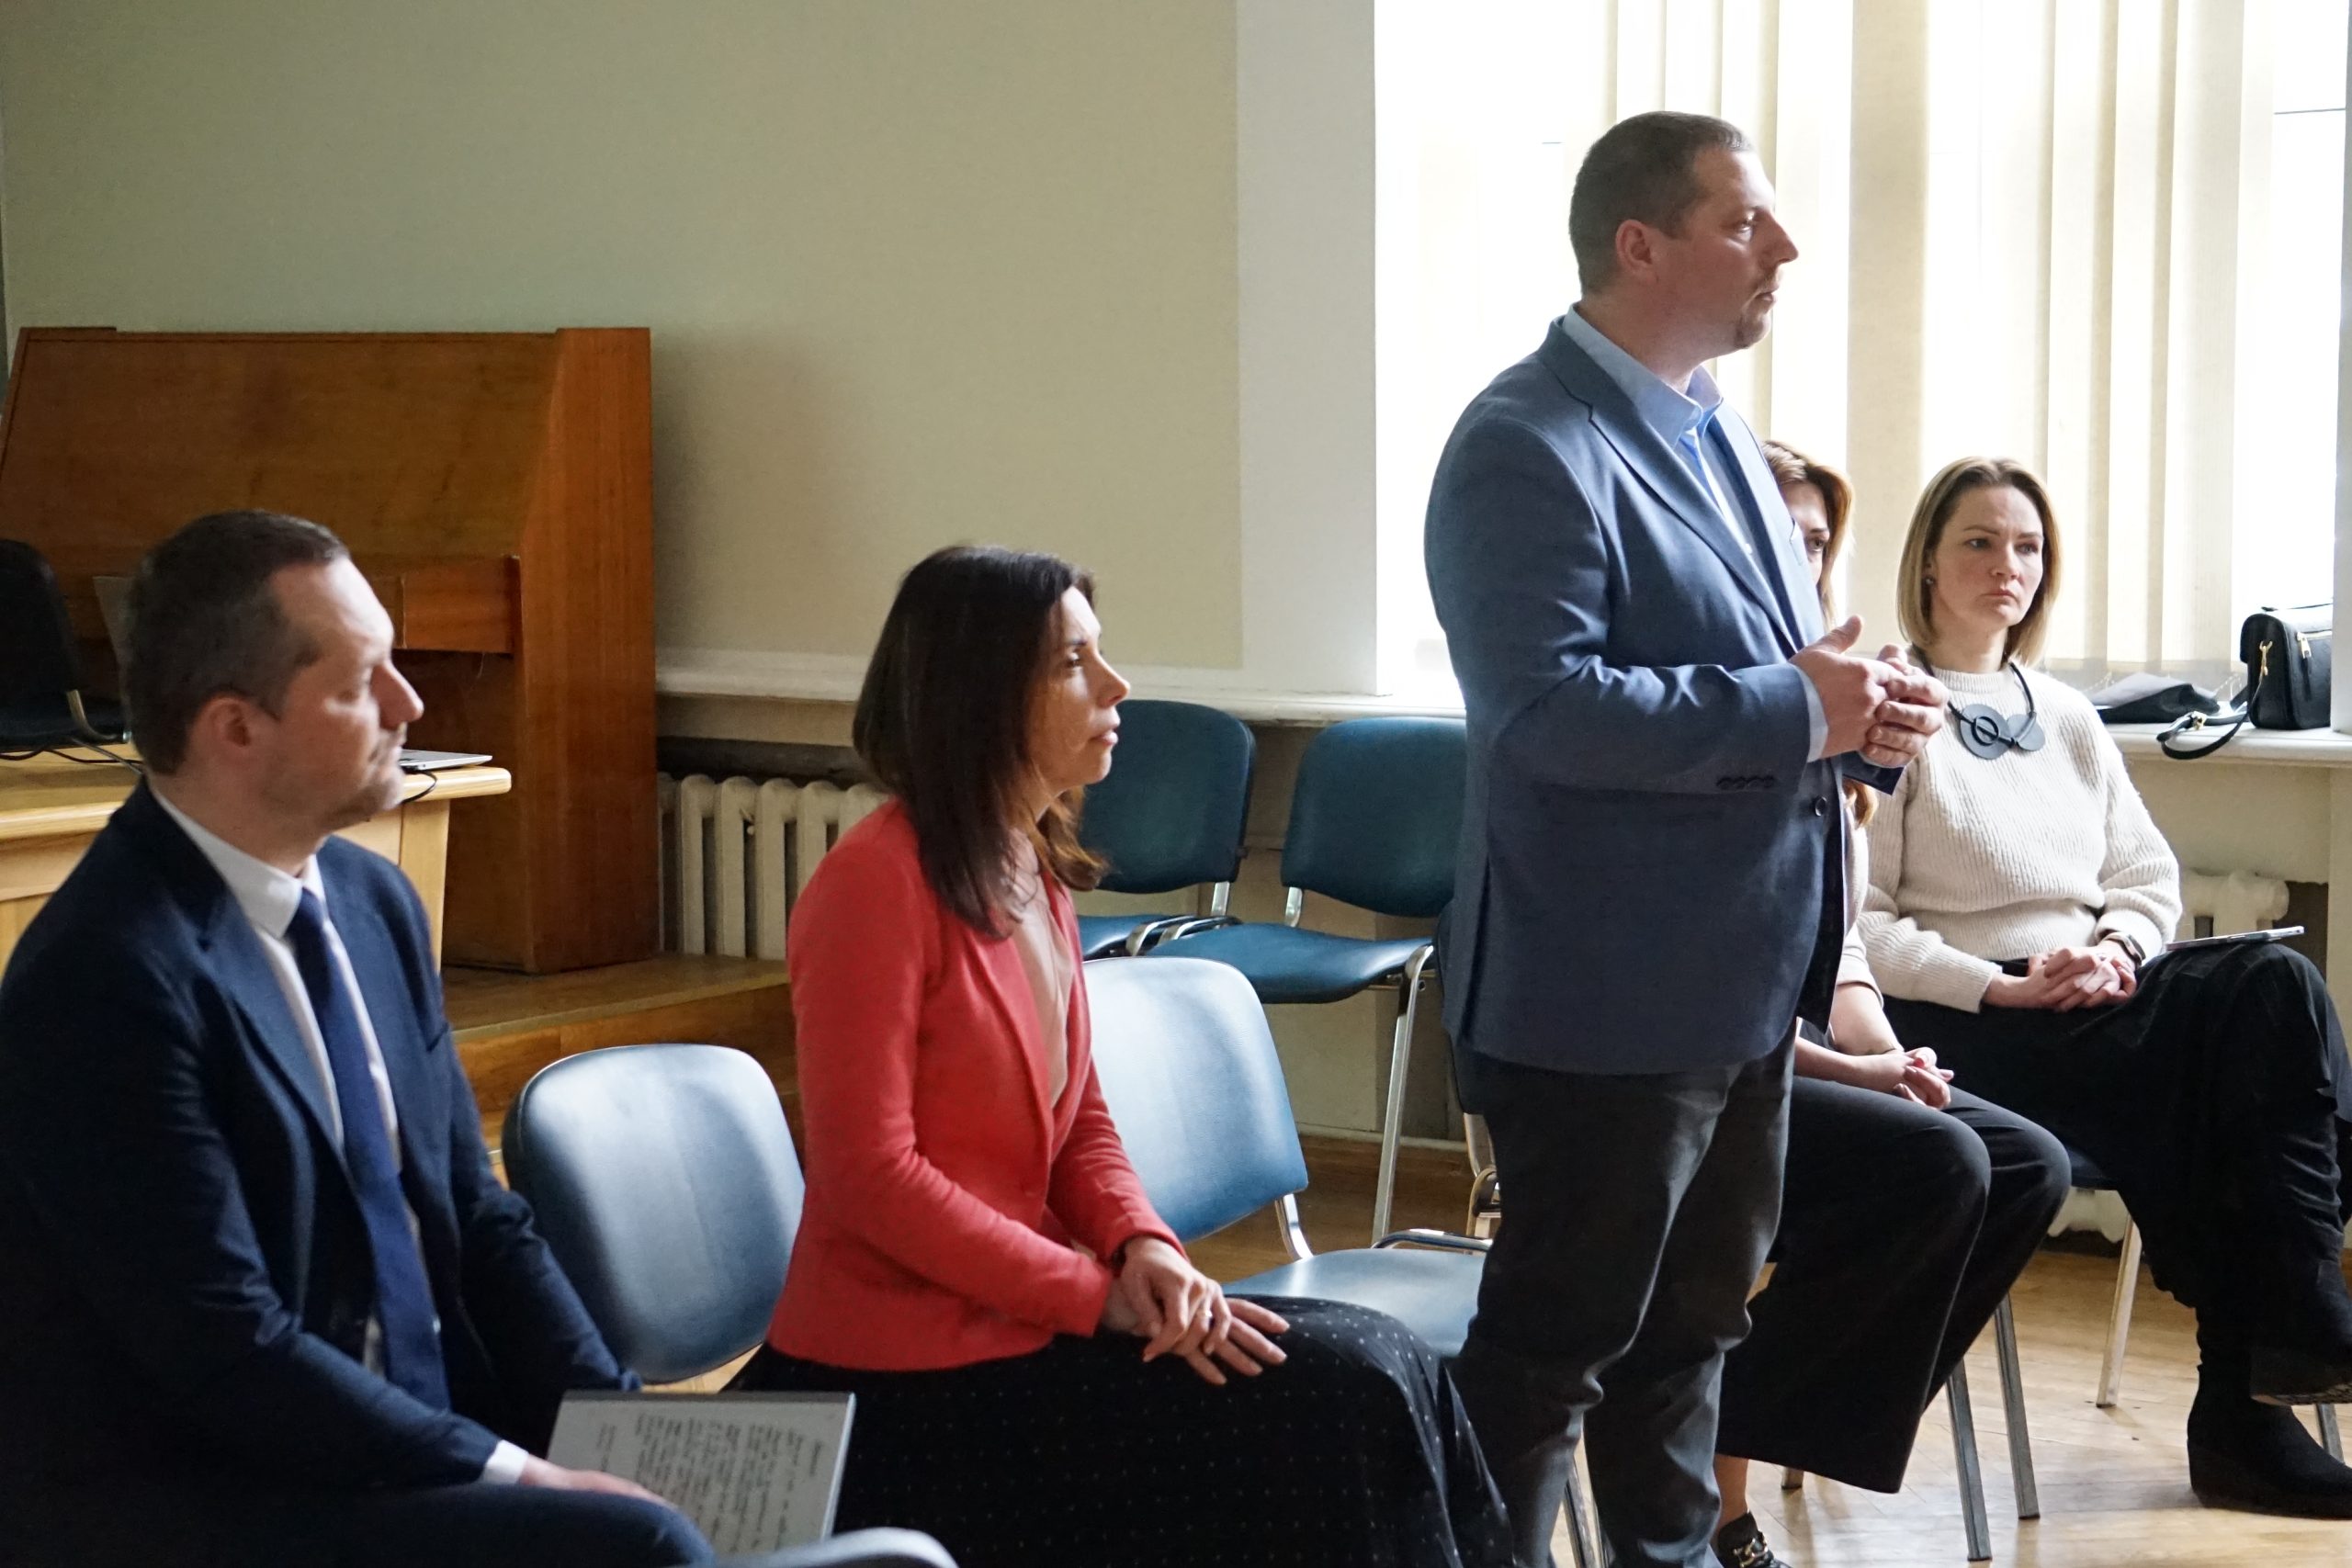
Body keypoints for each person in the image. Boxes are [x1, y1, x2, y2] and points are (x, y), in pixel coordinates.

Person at [727, 545, 1511, 1568]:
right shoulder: (871, 884)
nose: (1117, 684)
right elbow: (871, 1178)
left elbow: (1079, 1120)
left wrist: (1146, 1245)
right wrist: (1093, 1294)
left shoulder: (1030, 864)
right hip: (907, 1379)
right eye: (1072, 663)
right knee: (1339, 1397)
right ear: (978, 693)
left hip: (1023, 1322)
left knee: (1384, 1359)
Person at [1423, 110, 1947, 1568]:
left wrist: (1859, 717)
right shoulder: (1523, 443)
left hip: (1742, 978)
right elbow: (1544, 711)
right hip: (1604, 993)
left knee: (1693, 1334)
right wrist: (1799, 706)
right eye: (1745, 221)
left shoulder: (1714, 426)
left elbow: (1777, 679)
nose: (1787, 245)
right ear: (1639, 245)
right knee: (1555, 1349)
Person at [0, 511, 709, 1568]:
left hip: (393, 1429)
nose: (409, 703)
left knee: (738, 1491)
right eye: (359, 682)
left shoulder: (373, 900)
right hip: (211, 1487)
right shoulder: (106, 974)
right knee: (638, 1545)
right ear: (235, 728)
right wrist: (519, 1472)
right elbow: (227, 1348)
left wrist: (617, 1428)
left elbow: (479, 1217)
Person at [1862, 457, 2352, 1518]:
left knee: (2265, 1005)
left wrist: (2116, 953)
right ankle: (2274, 1366)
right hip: (1967, 1024)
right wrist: (2001, 988)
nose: (2006, 565)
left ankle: (2264, 1377)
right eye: (1978, 542)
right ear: (1928, 563)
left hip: (2097, 1004)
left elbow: (2144, 878)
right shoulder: (1891, 711)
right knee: (2234, 1062)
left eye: (2026, 546)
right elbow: (1862, 926)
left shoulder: (2067, 716)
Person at [1705, 444, 2070, 1568]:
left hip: (1806, 1047)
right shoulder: (1715, 718)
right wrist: (1852, 1071)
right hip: (1705, 1068)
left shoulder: (1839, 707)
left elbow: (1840, 948)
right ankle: (1716, 1487)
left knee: (2025, 1164)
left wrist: (1884, 1050)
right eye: (1779, 531)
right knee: (1936, 1167)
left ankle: (1753, 1417)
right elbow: (1715, 989)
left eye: (1816, 540)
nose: (1797, 554)